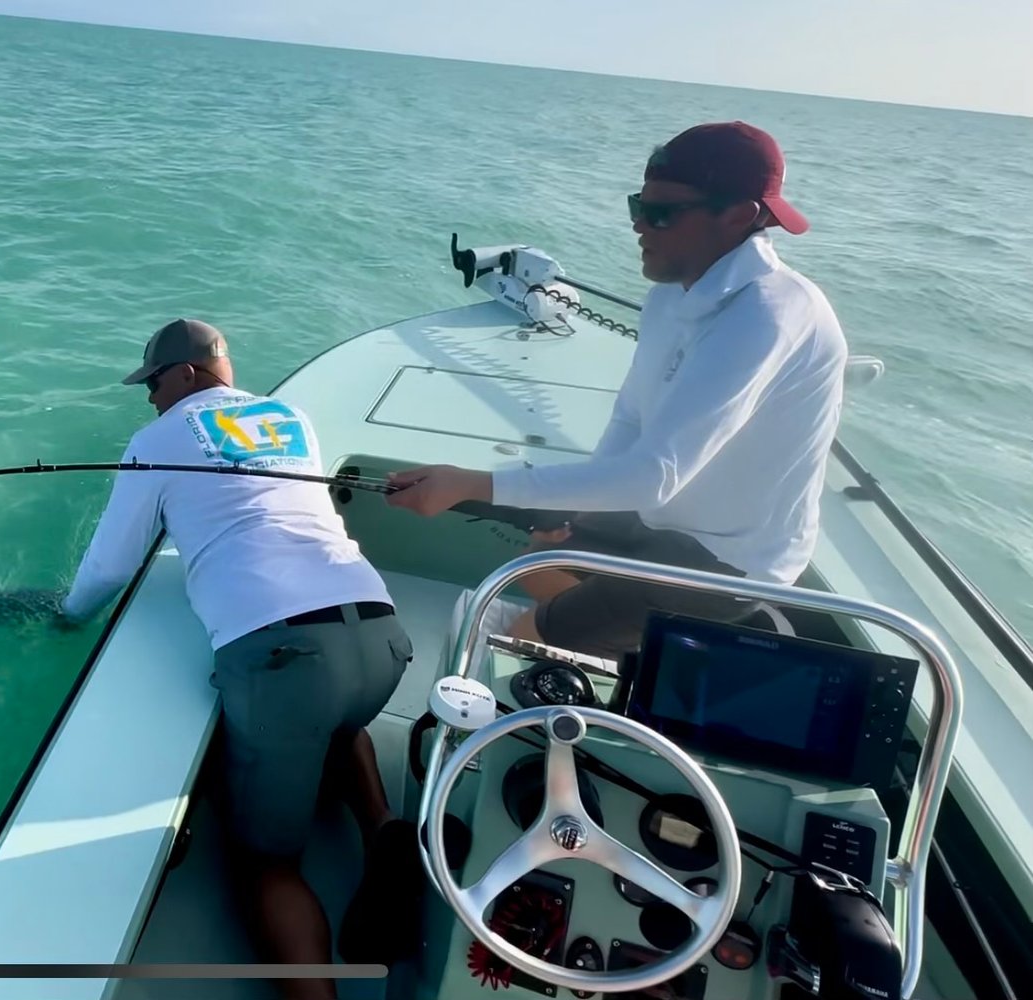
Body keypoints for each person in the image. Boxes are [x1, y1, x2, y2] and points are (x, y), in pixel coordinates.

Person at [388, 121, 847, 659]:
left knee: (515, 638)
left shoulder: (768, 316)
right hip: (665, 520)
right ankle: (641, 647)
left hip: (726, 562)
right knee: (541, 555)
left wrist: (469, 482)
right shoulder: (674, 293)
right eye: (638, 206)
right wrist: (575, 511)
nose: (638, 227)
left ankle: (635, 646)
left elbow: (653, 477)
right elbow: (631, 416)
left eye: (660, 214)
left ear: (739, 216)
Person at [59, 318, 422, 998]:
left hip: (286, 659)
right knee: (340, 724)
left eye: (153, 382)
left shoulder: (154, 439)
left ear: (189, 373)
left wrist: (66, 619)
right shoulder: (289, 416)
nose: (147, 398)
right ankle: (381, 830)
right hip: (381, 637)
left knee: (265, 862)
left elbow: (110, 564)